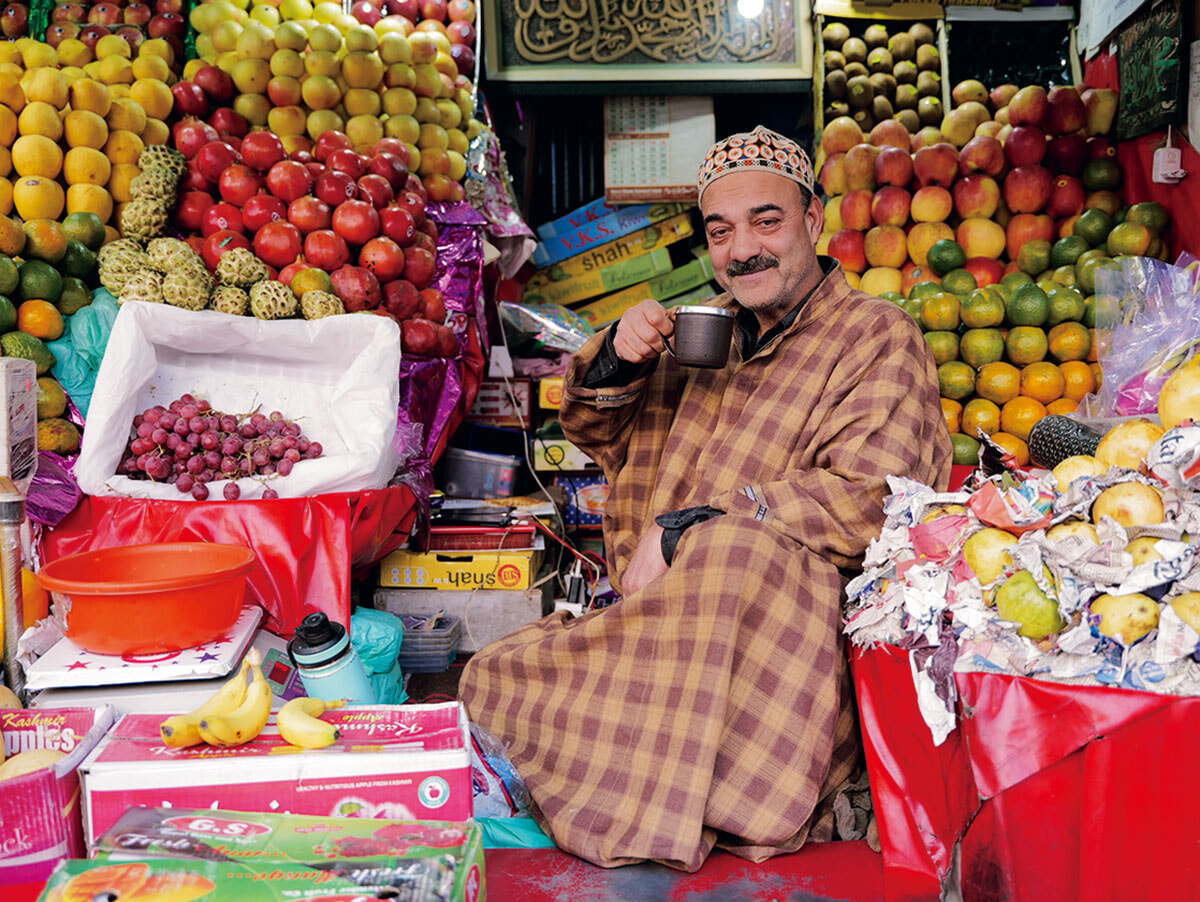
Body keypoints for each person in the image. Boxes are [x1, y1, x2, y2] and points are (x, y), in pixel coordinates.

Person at [459, 125, 952, 871]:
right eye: (720, 232)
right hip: (657, 608)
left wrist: (696, 524)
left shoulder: (876, 335)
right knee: (490, 677)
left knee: (731, 553)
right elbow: (595, 427)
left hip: (784, 621)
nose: (741, 249)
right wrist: (618, 354)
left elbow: (876, 495)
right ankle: (641, 773)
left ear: (813, 222)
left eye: (766, 221)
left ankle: (658, 790)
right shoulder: (707, 332)